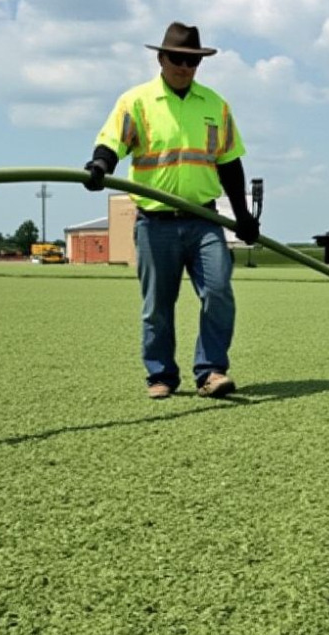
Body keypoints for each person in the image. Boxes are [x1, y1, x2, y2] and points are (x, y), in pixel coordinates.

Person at [83, 21, 260, 400]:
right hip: (155, 223)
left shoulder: (216, 105)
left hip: (205, 220)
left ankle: (211, 371)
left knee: (218, 291)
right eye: (177, 58)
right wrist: (100, 166)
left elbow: (230, 163)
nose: (184, 66)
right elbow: (112, 142)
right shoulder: (137, 101)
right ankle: (160, 375)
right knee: (157, 306)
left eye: (192, 61)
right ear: (161, 58)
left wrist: (243, 215)